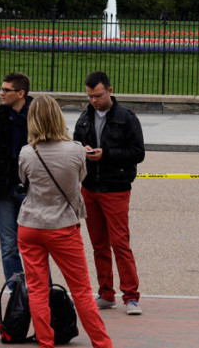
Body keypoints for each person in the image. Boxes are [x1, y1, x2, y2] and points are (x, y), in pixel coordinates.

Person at [17, 94, 113, 348]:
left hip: (31, 224)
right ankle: (102, 343)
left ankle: (45, 342)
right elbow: (79, 178)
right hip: (62, 225)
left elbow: (24, 182)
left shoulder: (27, 152)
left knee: (37, 290)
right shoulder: (75, 150)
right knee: (81, 290)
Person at [73, 71, 145, 316]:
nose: (94, 100)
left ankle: (131, 296)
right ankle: (105, 293)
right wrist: (83, 150)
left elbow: (138, 152)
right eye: (91, 96)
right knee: (98, 245)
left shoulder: (126, 118)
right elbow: (74, 146)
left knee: (120, 243)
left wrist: (107, 154)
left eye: (98, 95)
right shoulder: (83, 118)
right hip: (90, 187)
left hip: (116, 188)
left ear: (110, 91)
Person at [0, 72, 32, 283]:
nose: (1, 93)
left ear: (21, 93)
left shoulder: (37, 114)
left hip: (30, 189)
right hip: (3, 188)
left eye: (6, 90)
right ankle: (16, 291)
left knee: (32, 243)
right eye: (1, 89)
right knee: (9, 245)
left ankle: (39, 290)